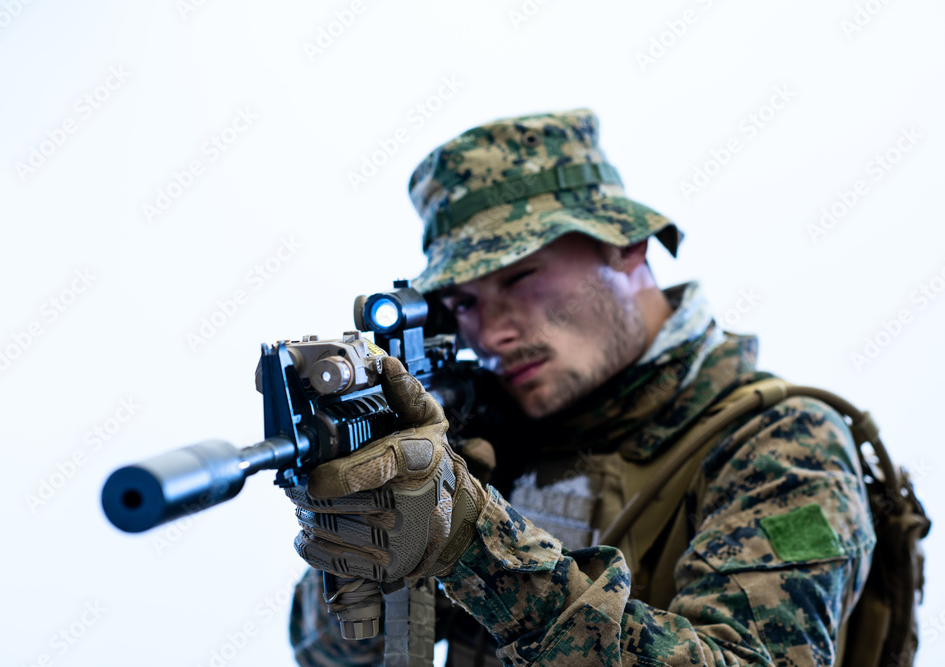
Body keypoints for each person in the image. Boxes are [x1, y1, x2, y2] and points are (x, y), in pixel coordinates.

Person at [287, 109, 876, 666]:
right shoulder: (493, 439)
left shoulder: (786, 445)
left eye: (520, 277)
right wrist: (373, 524)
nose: (492, 333)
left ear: (625, 245)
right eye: (463, 304)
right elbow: (324, 652)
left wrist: (471, 539)